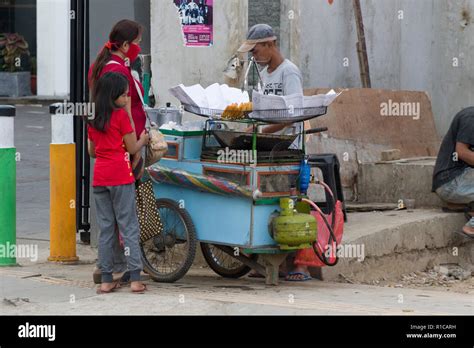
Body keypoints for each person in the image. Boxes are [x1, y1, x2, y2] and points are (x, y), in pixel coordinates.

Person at [238, 24, 313, 281]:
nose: (254, 56)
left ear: (270, 45)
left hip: (289, 147)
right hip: (271, 147)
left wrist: (264, 131)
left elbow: (292, 114)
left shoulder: (289, 72)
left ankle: (298, 264)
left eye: (256, 50)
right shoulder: (264, 74)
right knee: (268, 202)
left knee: (290, 203)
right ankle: (271, 261)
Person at [88, 19, 147, 284]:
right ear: (124, 45)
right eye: (136, 43)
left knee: (107, 225)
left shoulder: (99, 67)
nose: (138, 47)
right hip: (121, 159)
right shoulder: (118, 73)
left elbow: (91, 148)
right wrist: (136, 148)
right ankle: (132, 274)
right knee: (127, 223)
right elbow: (127, 117)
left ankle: (106, 273)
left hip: (102, 169)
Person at [432, 107, 474, 239]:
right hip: (450, 180)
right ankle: (471, 227)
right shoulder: (470, 117)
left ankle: (469, 207)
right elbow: (461, 152)